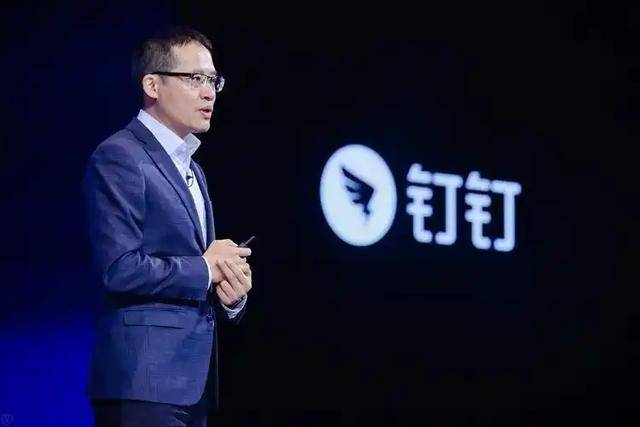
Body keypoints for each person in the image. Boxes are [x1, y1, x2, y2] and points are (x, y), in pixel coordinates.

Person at [83, 26, 253, 426]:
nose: (209, 93)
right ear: (152, 85)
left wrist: (229, 292)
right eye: (195, 79)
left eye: (213, 81)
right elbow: (119, 268)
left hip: (192, 385)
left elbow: (195, 273)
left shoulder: (192, 168)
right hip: (142, 383)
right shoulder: (120, 155)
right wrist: (205, 268)